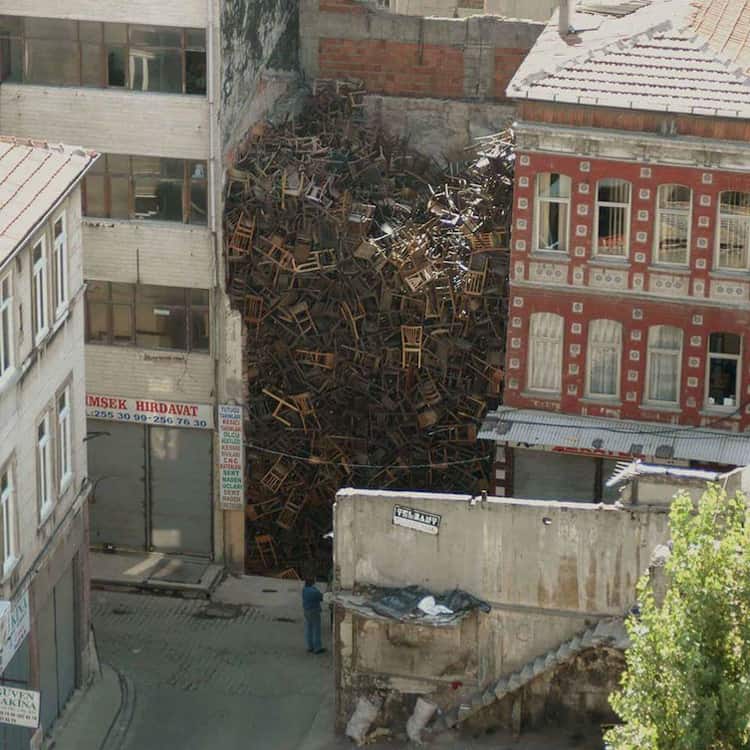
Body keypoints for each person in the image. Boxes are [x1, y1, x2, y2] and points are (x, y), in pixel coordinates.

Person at [302, 577, 325, 654]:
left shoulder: (304, 589)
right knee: (316, 629)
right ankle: (317, 648)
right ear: (313, 582)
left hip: (306, 611)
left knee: (309, 629)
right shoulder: (314, 591)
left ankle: (310, 646)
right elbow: (322, 597)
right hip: (314, 611)